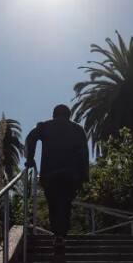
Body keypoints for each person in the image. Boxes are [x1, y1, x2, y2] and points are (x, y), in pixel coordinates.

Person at [24, 104, 89, 252]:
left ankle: (57, 235)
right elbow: (84, 153)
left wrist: (30, 158)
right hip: (70, 175)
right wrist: (84, 174)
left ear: (54, 114)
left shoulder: (45, 126)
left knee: (53, 205)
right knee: (65, 204)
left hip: (49, 175)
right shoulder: (78, 129)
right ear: (69, 114)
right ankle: (60, 236)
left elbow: (30, 138)